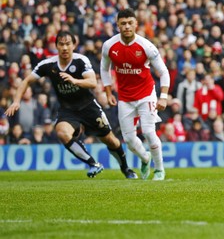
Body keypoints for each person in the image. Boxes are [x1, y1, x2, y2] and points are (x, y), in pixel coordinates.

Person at [5, 30, 137, 179]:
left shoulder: (81, 61)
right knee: (61, 132)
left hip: (88, 107)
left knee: (111, 140)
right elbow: (26, 80)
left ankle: (126, 168)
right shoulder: (48, 64)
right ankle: (93, 164)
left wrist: (75, 81)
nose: (65, 48)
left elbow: (93, 82)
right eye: (61, 44)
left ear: (74, 45)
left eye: (68, 44)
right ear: (56, 46)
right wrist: (16, 101)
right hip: (67, 110)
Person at [101, 8, 170, 181]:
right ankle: (145, 158)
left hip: (146, 94)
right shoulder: (109, 46)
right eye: (123, 23)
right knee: (130, 141)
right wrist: (109, 92)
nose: (126, 26)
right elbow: (104, 69)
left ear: (136, 24)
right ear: (117, 25)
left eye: (130, 23)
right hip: (125, 98)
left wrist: (163, 96)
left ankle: (159, 170)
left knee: (148, 131)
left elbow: (163, 72)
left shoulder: (146, 46)